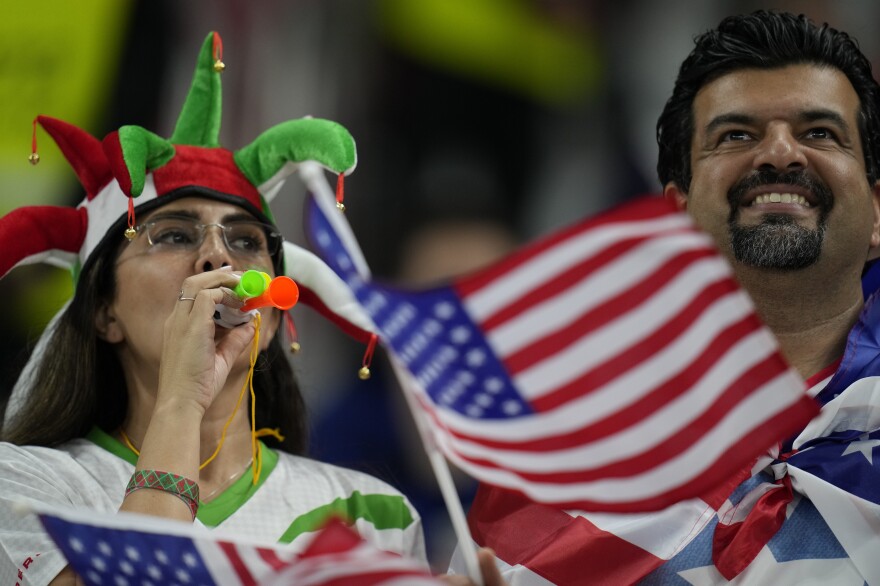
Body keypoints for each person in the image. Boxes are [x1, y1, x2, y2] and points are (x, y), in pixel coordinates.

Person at [0, 32, 505, 586]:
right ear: (104, 313)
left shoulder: (370, 513)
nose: (217, 254)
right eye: (172, 235)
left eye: (245, 241)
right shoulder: (28, 486)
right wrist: (180, 403)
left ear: (275, 319)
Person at [456, 10, 880, 584]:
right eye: (736, 135)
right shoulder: (555, 444)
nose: (780, 154)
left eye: (819, 134)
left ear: (877, 212)